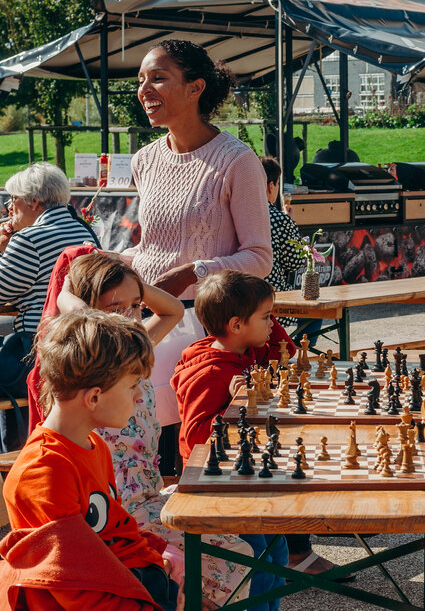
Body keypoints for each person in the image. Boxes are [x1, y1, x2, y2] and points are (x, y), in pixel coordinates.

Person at [25, 249, 256, 607]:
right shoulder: (85, 370)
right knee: (237, 553)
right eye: (117, 310)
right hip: (126, 512)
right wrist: (68, 293)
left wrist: (132, 287)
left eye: (136, 307)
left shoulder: (132, 352)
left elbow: (174, 310)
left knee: (249, 539)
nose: (132, 318)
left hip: (145, 498)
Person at [124, 39, 272, 450]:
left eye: (158, 78)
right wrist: (111, 264)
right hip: (148, 322)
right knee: (138, 450)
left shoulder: (237, 161)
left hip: (200, 330)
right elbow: (153, 248)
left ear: (196, 88)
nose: (145, 90)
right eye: (141, 80)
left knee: (186, 453)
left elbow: (259, 258)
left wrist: (195, 272)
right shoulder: (145, 160)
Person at [1, 310, 172, 609]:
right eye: (132, 386)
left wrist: (158, 571)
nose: (137, 397)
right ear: (94, 397)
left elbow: (114, 532)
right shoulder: (44, 471)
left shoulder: (94, 445)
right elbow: (73, 584)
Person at [171, 270, 293, 604]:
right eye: (267, 317)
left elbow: (288, 351)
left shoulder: (245, 349)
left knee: (277, 555)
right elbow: (194, 436)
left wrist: (266, 318)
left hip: (247, 473)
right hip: (218, 483)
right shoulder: (210, 371)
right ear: (237, 325)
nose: (273, 323)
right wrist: (234, 407)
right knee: (257, 564)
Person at [0, 163, 98, 451]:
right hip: (78, 349)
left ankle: (12, 454)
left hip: (37, 352)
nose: (9, 206)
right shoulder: (82, 231)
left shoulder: (29, 240)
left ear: (33, 201)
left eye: (13, 199)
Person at [261, 155, 307, 329]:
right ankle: (299, 351)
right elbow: (294, 263)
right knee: (315, 316)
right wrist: (290, 222)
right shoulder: (281, 220)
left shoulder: (235, 214)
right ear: (271, 186)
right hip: (274, 299)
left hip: (240, 296)